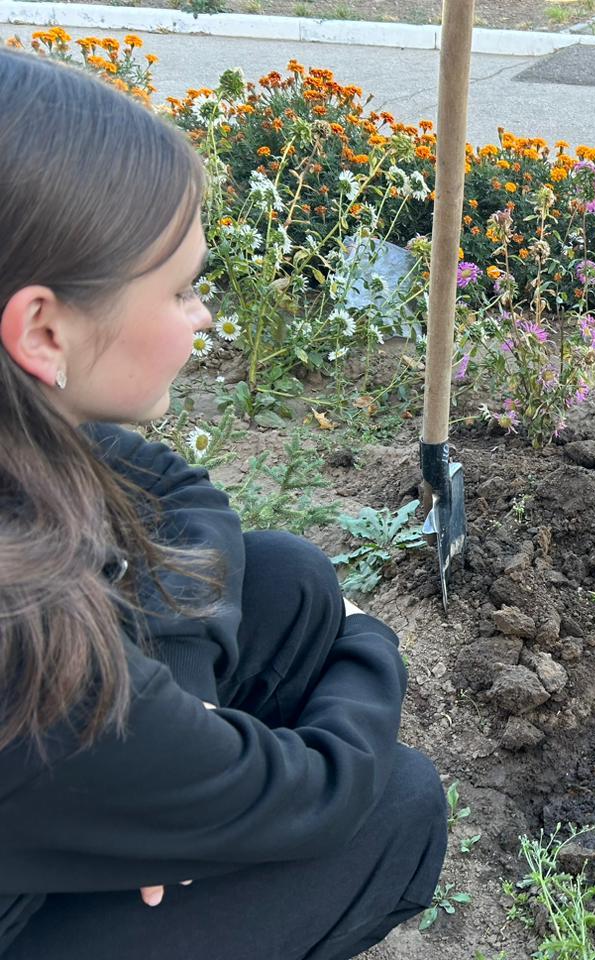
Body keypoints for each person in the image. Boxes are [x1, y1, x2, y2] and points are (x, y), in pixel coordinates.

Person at [0, 48, 446, 958]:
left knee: (285, 574)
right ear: (44, 329)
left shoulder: (25, 431)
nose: (203, 316)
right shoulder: (28, 645)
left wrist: (180, 714)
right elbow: (320, 792)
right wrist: (371, 638)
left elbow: (174, 486)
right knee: (399, 803)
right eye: (179, 289)